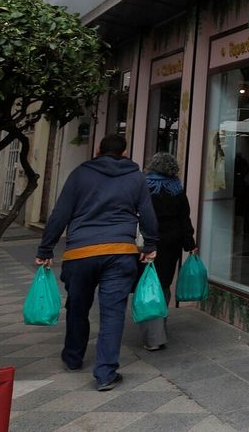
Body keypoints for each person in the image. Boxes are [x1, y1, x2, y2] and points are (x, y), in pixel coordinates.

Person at [37, 134, 158, 392]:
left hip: (80, 253)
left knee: (78, 307)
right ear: (124, 152)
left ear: (98, 150)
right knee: (113, 313)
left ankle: (73, 357)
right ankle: (105, 373)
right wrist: (150, 245)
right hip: (120, 252)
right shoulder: (136, 177)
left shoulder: (80, 174)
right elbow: (148, 213)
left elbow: (61, 212)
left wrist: (46, 248)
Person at [140, 152, 196, 352]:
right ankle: (158, 330)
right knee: (162, 285)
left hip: (145, 243)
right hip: (170, 245)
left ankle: (152, 334)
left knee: (145, 286)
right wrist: (190, 243)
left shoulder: (143, 187)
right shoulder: (177, 190)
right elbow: (184, 219)